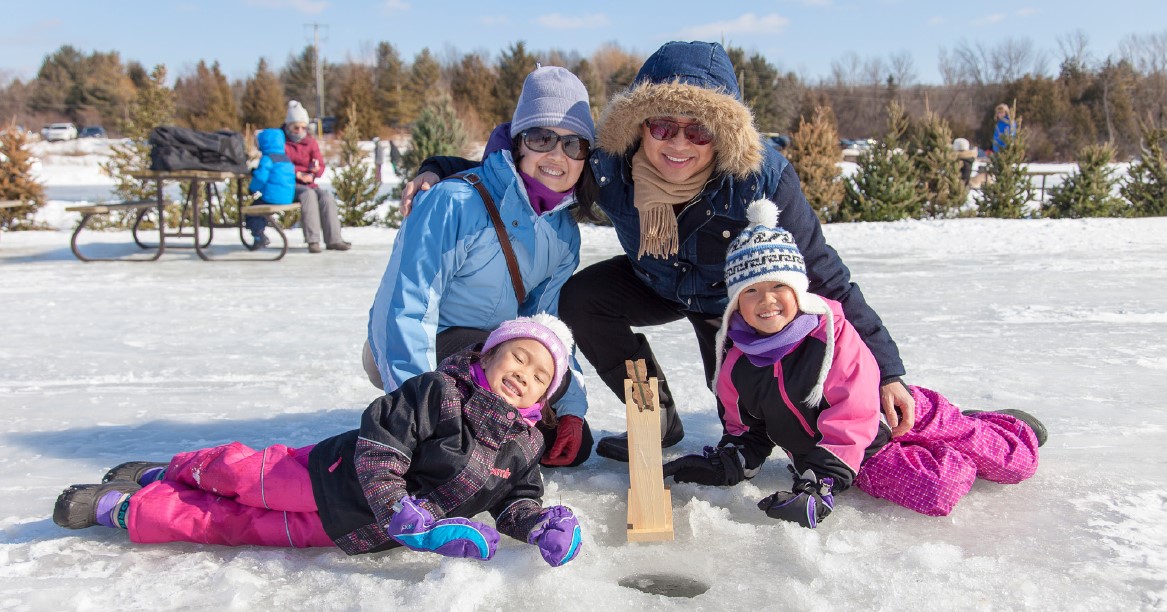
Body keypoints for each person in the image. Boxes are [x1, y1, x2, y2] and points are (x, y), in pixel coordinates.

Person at [406, 41, 917, 464]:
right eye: (662, 126)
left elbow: (824, 278)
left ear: (723, 136)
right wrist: (441, 167)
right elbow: (532, 163)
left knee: (745, 426)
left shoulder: (762, 179)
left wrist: (888, 371)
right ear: (639, 126)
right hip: (654, 283)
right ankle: (655, 420)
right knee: (581, 298)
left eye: (698, 131)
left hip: (731, 305)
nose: (678, 144)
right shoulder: (609, 166)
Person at [52, 315, 584, 568]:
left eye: (541, 375)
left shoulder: (525, 447)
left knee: (229, 525)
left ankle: (122, 511)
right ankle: (168, 472)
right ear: (488, 353)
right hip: (322, 476)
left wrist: (539, 525)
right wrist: (404, 513)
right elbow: (382, 447)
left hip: (350, 531)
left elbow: (514, 501)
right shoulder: (440, 391)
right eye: (519, 356)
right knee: (237, 475)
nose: (525, 374)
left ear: (544, 396)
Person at [662, 200, 1043, 527]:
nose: (768, 301)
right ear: (736, 303)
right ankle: (953, 447)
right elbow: (747, 429)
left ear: (798, 289)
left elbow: (855, 407)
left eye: (779, 286)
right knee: (938, 488)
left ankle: (992, 428)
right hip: (860, 453)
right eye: (751, 291)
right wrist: (725, 465)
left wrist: (823, 480)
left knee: (1015, 465)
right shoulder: (736, 364)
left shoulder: (830, 337)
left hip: (885, 414)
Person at [364, 66, 598, 468]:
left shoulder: (563, 232)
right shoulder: (455, 202)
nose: (557, 155)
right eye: (543, 138)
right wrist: (417, 409)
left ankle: (484, 420)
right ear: (519, 142)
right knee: (464, 438)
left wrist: (572, 409)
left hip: (501, 355)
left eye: (574, 144)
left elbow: (547, 325)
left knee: (565, 440)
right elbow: (408, 306)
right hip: (434, 342)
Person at [283, 100, 351, 254]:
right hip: (290, 185)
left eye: (302, 127)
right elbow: (281, 165)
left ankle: (334, 239)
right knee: (309, 196)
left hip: (309, 183)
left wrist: (314, 171)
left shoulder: (310, 142)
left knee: (326, 197)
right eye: (296, 127)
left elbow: (319, 163)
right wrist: (297, 174)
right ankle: (313, 240)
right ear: (288, 127)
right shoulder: (283, 143)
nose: (300, 130)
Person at [245, 128, 296, 250]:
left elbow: (261, 178)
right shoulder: (286, 159)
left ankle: (258, 236)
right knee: (260, 211)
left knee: (252, 212)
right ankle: (260, 233)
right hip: (287, 197)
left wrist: (252, 189)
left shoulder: (267, 159)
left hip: (271, 197)